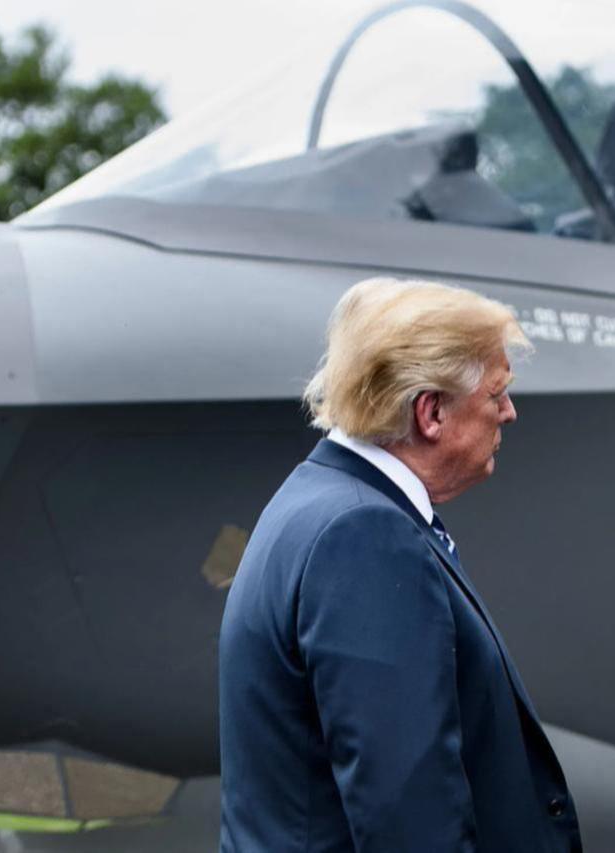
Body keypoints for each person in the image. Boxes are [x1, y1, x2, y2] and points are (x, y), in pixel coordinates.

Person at [219, 277, 582, 852]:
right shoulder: (363, 533)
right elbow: (410, 817)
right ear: (431, 411)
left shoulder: (318, 501)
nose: (509, 413)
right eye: (495, 394)